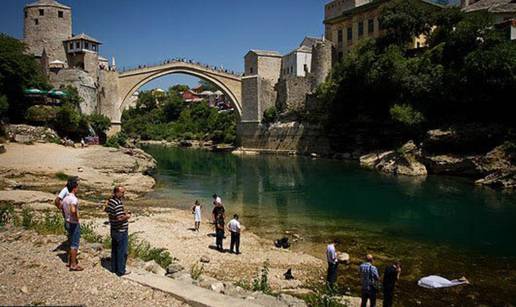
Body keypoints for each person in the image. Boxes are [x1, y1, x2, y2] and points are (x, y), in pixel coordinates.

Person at [106, 186, 131, 276]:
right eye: (122, 192)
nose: (123, 194)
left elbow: (107, 210)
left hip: (114, 228)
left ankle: (114, 268)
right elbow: (120, 218)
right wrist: (127, 216)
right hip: (121, 230)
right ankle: (121, 271)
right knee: (122, 251)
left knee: (115, 249)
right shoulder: (118, 204)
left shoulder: (110, 201)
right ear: (116, 193)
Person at [62, 181, 83, 271]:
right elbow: (73, 210)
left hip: (67, 221)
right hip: (73, 223)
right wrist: (76, 218)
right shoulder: (73, 199)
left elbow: (62, 208)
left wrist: (66, 217)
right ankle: (73, 265)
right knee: (75, 244)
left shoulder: (65, 198)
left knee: (70, 242)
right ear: (74, 188)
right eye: (77, 187)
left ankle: (70, 261)